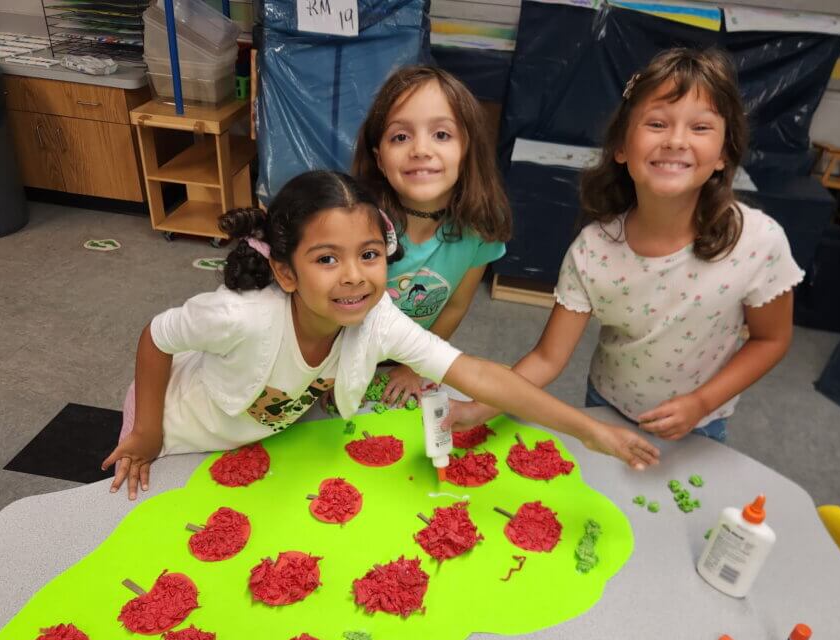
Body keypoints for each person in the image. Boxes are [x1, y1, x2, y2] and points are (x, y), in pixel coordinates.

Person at [103, 171, 658, 499]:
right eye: (327, 258)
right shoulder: (239, 317)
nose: (353, 275)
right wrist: (148, 432)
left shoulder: (377, 317)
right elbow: (156, 338)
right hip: (173, 433)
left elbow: (478, 375)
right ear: (286, 272)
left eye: (369, 255)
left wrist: (590, 431)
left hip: (252, 437)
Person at [450, 48, 803, 443]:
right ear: (621, 147)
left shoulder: (758, 241)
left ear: (723, 154)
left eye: (700, 128)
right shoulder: (592, 251)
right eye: (656, 123)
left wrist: (702, 402)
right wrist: (478, 408)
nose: (676, 140)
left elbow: (771, 339)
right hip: (606, 407)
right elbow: (547, 358)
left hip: (704, 424)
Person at [353, 65, 511, 406]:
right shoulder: (354, 218)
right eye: (400, 136)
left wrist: (415, 366)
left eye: (442, 134)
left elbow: (454, 305)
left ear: (468, 149)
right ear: (379, 159)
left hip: (410, 353)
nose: (421, 149)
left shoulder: (481, 224)